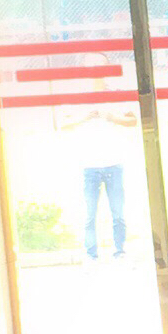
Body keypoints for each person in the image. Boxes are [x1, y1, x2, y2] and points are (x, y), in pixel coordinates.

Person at [54, 87, 137, 258]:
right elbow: (62, 124)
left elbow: (133, 121)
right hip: (90, 166)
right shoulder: (78, 98)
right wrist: (85, 118)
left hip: (114, 164)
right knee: (90, 214)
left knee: (118, 213)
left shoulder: (115, 96)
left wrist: (114, 118)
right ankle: (91, 253)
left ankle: (120, 251)